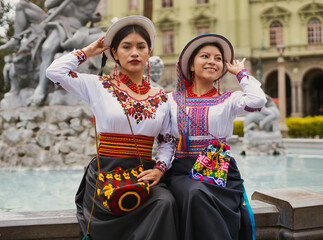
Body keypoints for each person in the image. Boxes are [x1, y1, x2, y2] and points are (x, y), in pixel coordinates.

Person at [46, 16, 179, 240]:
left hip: (143, 174)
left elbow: (167, 141)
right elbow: (54, 72)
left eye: (141, 46)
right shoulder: (98, 86)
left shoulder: (163, 98)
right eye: (126, 47)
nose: (134, 53)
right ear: (115, 53)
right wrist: (89, 51)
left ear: (149, 53)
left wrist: (159, 169)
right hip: (105, 175)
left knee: (165, 202)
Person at [166, 34, 267, 240]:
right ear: (191, 66)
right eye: (205, 56)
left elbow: (258, 100)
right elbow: (165, 139)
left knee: (199, 193)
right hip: (182, 170)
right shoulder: (171, 100)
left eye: (218, 58)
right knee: (195, 193)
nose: (212, 61)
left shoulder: (229, 99)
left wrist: (241, 73)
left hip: (220, 170)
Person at [0, 0, 101, 106]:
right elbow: (48, 4)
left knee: (47, 47)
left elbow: (84, 11)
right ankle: (16, 40)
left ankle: (41, 89)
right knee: (22, 5)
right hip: (50, 18)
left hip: (69, 24)